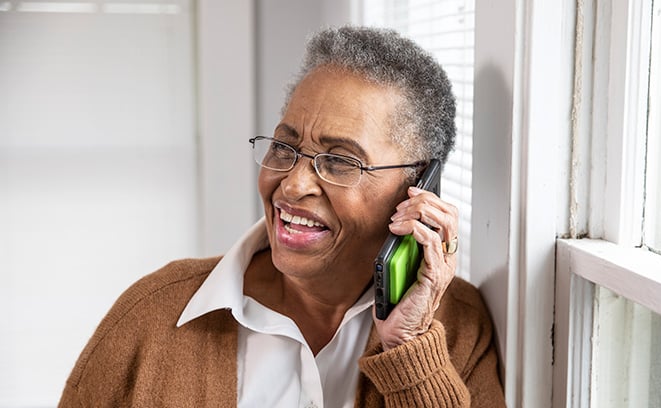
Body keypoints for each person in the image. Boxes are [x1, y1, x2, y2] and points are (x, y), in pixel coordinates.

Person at [59, 26, 506, 407]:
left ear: (418, 189)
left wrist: (408, 350)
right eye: (284, 147)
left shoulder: (457, 326)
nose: (291, 186)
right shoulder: (151, 315)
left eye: (339, 161)